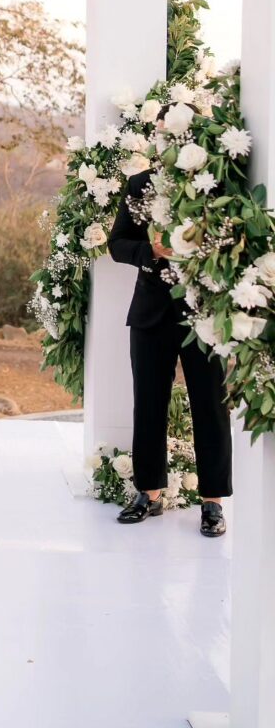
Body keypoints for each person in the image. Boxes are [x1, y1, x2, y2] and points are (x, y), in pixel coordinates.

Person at [107, 110, 232, 537]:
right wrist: (151, 253)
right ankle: (148, 493)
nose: (166, 141)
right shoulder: (139, 185)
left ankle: (213, 503)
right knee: (148, 403)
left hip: (203, 314)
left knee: (211, 408)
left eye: (174, 134)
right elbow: (116, 245)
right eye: (160, 135)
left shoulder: (214, 184)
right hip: (150, 313)